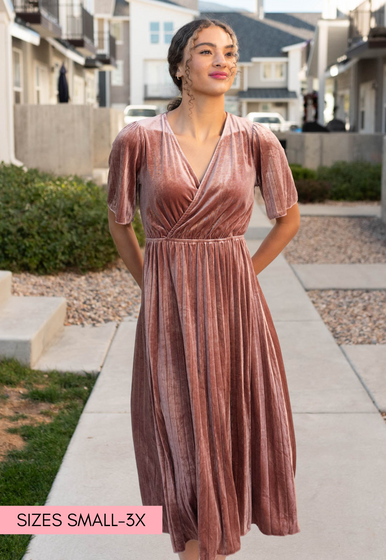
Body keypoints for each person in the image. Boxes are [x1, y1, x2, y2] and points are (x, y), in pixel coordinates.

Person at [107, 18, 301, 560]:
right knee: (176, 431)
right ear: (179, 66)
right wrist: (153, 284)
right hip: (168, 307)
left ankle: (204, 545)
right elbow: (120, 222)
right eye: (206, 51)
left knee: (227, 425)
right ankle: (197, 541)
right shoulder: (138, 139)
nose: (222, 60)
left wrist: (242, 275)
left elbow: (288, 219)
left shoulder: (257, 139)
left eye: (230, 52)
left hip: (236, 310)